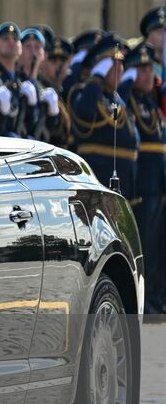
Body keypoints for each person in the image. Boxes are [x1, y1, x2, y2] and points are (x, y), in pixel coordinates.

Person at [121, 42, 164, 311]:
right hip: (144, 183)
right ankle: (143, 299)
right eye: (141, 69)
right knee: (145, 246)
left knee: (158, 246)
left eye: (150, 68)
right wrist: (125, 83)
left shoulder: (150, 100)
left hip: (158, 183)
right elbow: (118, 108)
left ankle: (156, 295)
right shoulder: (130, 99)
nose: (148, 74)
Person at [69, 34, 137, 197]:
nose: (119, 68)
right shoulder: (83, 92)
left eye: (121, 63)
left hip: (123, 181)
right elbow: (84, 113)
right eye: (113, 63)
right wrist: (96, 78)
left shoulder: (116, 99)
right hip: (97, 180)